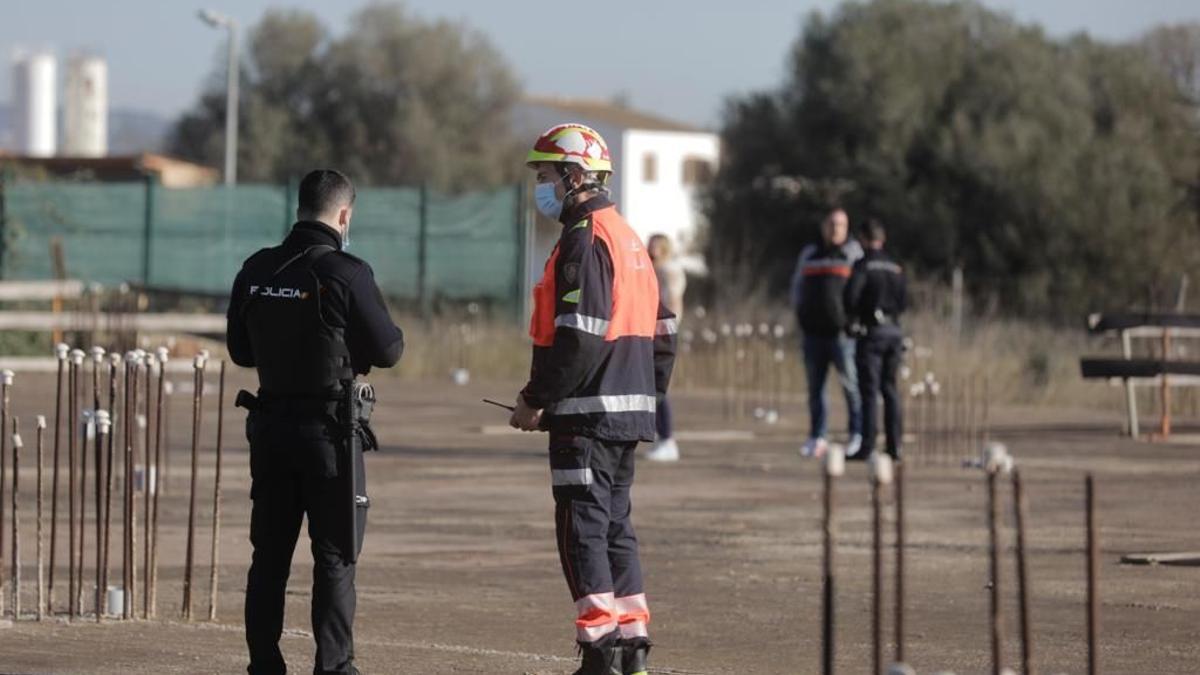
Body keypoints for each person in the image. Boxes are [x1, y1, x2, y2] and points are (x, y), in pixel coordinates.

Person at [510, 122, 677, 675]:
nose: (542, 186)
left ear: (575, 177)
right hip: (625, 415)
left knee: (582, 529)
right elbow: (665, 333)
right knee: (615, 528)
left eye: (546, 175)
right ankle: (633, 647)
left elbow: (579, 333)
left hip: (586, 416)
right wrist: (646, 398)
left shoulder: (585, 237)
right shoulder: (628, 236)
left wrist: (537, 398)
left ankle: (599, 650)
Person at [227, 169, 404, 675]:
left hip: (271, 429)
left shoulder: (257, 269)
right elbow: (389, 349)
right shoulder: (346, 272)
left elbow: (241, 350)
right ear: (344, 215)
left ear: (300, 206)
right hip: (330, 435)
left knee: (269, 558)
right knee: (335, 558)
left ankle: (264, 664)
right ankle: (334, 667)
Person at [790, 207, 863, 458]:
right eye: (831, 224)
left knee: (851, 386)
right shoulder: (810, 254)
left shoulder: (853, 253)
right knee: (815, 389)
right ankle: (817, 436)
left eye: (840, 225)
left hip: (842, 335)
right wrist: (800, 315)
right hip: (814, 333)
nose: (835, 229)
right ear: (824, 226)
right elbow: (797, 287)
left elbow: (860, 289)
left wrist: (852, 321)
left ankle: (857, 433)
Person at [844, 218, 907, 460]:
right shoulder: (895, 266)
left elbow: (851, 297)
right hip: (894, 332)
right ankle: (895, 446)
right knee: (890, 390)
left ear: (862, 239)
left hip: (872, 334)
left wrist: (854, 319)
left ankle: (867, 445)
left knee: (869, 392)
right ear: (883, 239)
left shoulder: (863, 265)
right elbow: (904, 301)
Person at [645, 233, 686, 462]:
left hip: (660, 335)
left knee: (659, 387)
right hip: (653, 332)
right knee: (651, 387)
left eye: (657, 248)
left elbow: (672, 305)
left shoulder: (668, 271)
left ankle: (667, 438)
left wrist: (663, 332)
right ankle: (662, 437)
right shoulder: (655, 270)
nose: (653, 252)